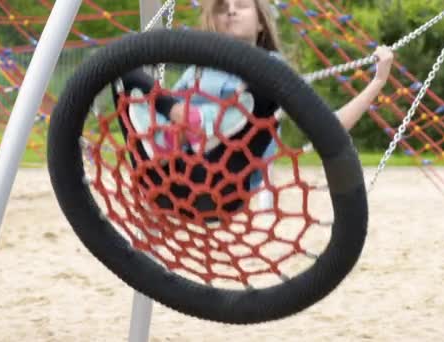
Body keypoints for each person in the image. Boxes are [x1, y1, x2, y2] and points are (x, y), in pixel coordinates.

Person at [112, 0, 394, 222]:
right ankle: (177, 134)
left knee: (267, 77)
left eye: (242, 6)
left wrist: (378, 82)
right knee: (123, 66)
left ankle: (206, 127)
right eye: (223, 7)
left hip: (222, 184)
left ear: (261, 23)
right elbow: (158, 99)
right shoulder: (197, 70)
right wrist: (170, 114)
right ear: (214, 21)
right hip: (166, 180)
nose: (231, 10)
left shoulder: (273, 69)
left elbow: (328, 126)